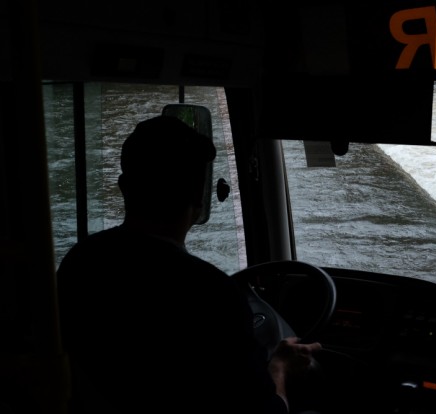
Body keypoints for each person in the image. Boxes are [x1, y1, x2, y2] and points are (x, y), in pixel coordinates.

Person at [56, 115, 322, 413]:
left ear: (123, 188)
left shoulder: (79, 261)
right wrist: (280, 367)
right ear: (199, 199)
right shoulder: (210, 292)